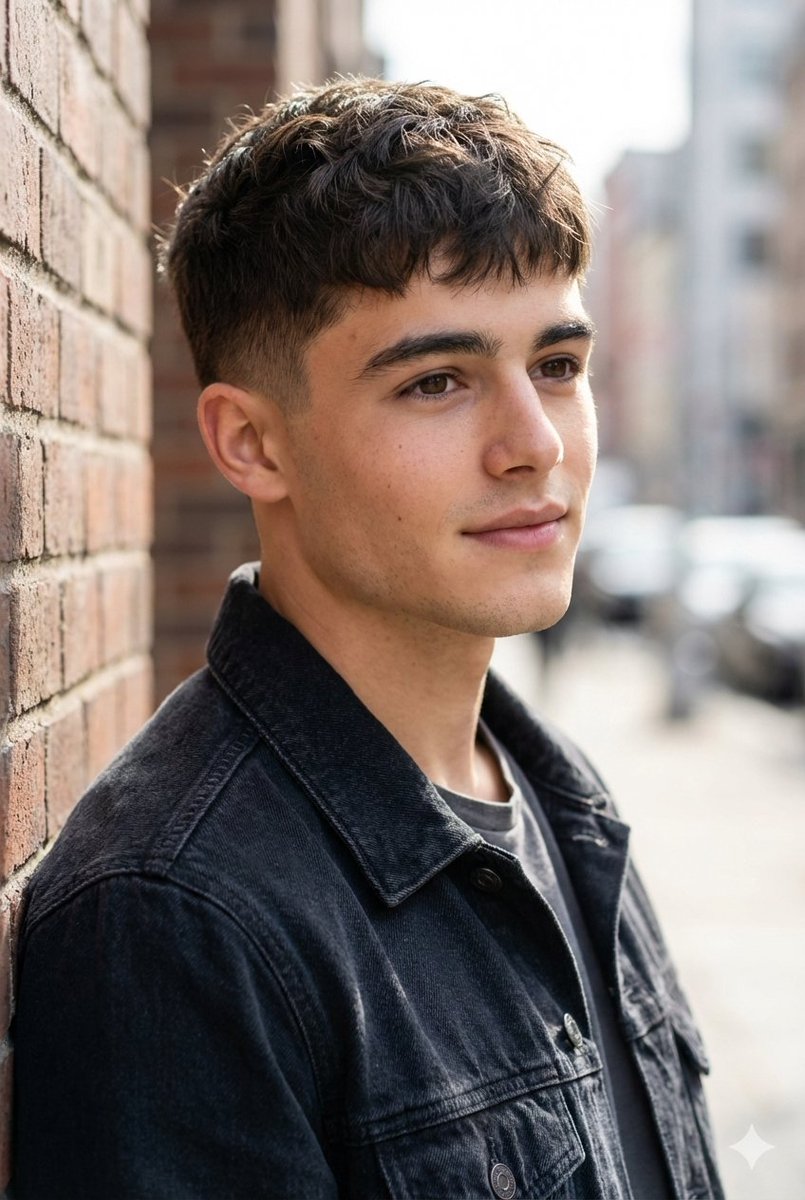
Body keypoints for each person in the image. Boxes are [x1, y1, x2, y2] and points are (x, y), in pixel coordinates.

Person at [11, 79, 724, 1199]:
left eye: (558, 366)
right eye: (437, 381)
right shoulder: (176, 917)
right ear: (252, 443)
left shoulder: (554, 790)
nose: (534, 444)